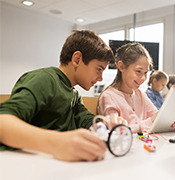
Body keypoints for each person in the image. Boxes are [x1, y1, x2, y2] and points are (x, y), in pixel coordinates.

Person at [0, 30, 125, 162]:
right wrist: (56, 142)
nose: (100, 78)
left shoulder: (73, 93)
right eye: (99, 69)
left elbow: (84, 118)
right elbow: (2, 121)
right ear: (77, 59)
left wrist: (105, 124)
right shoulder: (44, 80)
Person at [98, 42, 159, 133]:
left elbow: (157, 118)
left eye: (146, 73)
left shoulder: (140, 94)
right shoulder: (108, 97)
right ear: (121, 66)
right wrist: (149, 122)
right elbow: (118, 131)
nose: (143, 78)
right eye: (138, 71)